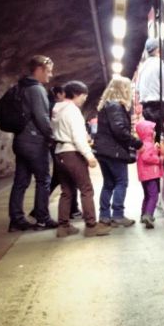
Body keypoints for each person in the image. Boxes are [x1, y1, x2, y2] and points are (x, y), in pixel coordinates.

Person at [52, 81, 111, 238]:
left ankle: (63, 227)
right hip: (72, 152)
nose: (84, 99)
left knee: (66, 191)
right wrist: (89, 156)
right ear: (77, 94)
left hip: (59, 152)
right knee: (86, 189)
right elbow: (78, 138)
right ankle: (91, 226)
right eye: (84, 96)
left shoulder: (57, 110)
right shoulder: (72, 111)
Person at [8, 55, 58, 232]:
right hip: (35, 141)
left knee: (20, 181)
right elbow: (42, 117)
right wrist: (52, 136)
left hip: (20, 140)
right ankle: (42, 218)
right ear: (39, 69)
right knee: (43, 179)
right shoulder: (36, 89)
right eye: (49, 71)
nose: (50, 76)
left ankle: (16, 220)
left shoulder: (20, 87)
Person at [94, 76, 143, 227]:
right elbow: (119, 130)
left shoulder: (106, 106)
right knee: (121, 182)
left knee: (108, 183)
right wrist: (137, 143)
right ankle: (117, 215)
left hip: (103, 151)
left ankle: (104, 215)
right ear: (123, 89)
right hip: (113, 151)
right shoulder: (115, 106)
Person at [30, 85, 81, 220]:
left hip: (55, 147)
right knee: (67, 178)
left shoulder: (51, 106)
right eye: (64, 94)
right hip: (61, 147)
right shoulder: (58, 108)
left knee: (59, 179)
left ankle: (39, 209)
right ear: (59, 94)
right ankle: (72, 210)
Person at [135, 120, 164, 229]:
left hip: (144, 175)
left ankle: (143, 215)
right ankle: (149, 215)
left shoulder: (143, 143)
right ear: (148, 132)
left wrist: (155, 150)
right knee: (154, 195)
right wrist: (159, 159)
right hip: (151, 174)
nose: (154, 132)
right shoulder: (148, 144)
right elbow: (147, 157)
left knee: (147, 195)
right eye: (153, 130)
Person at [136, 37, 161, 126]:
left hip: (146, 108)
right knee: (158, 134)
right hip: (157, 106)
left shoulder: (142, 67)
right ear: (158, 49)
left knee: (150, 134)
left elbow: (137, 90)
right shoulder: (160, 63)